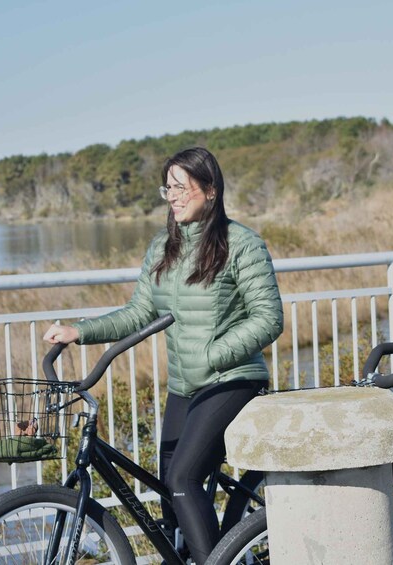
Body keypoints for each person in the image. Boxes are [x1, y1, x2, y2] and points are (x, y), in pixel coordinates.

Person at [44, 147, 284, 564]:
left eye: (180, 187)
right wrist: (78, 331)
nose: (171, 196)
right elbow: (139, 312)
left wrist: (215, 353)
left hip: (232, 379)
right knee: (168, 486)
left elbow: (269, 318)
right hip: (184, 385)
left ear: (210, 189)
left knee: (182, 477)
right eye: (166, 187)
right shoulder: (162, 248)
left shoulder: (242, 244)